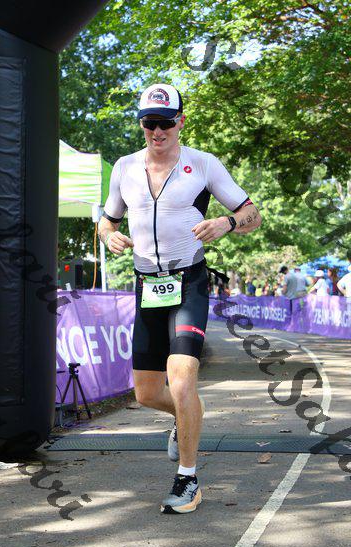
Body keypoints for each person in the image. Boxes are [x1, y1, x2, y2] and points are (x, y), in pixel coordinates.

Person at [98, 83, 262, 514]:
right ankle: (184, 417)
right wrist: (109, 235)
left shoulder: (203, 164)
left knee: (183, 379)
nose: (157, 131)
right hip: (147, 285)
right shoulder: (125, 167)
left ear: (181, 122)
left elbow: (253, 214)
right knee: (146, 393)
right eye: (149, 123)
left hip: (189, 281)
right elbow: (107, 219)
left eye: (165, 123)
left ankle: (188, 479)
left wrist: (226, 223)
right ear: (141, 124)